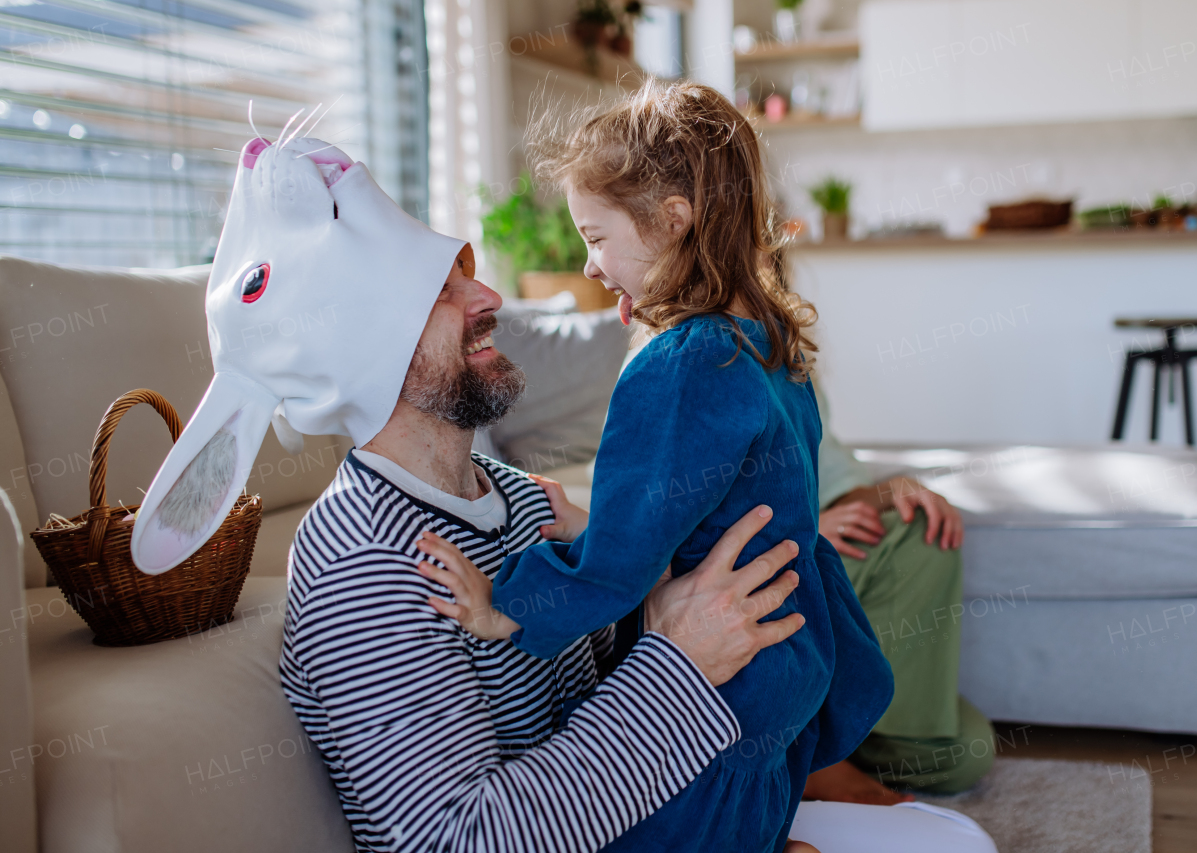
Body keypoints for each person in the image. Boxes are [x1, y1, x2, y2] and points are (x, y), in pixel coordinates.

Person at [420, 80, 992, 853]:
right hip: (790, 657)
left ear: (673, 220)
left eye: (596, 236)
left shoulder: (680, 363)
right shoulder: (771, 346)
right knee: (757, 802)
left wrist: (502, 606)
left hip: (724, 683)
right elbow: (730, 502)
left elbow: (620, 559)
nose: (590, 266)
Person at [279, 245, 808, 853]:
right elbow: (456, 841)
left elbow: (610, 680)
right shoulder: (365, 562)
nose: (490, 299)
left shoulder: (526, 502)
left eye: (467, 276)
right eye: (439, 292)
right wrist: (681, 664)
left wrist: (666, 597)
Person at [801, 384, 996, 805]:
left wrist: (895, 489)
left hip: (820, 554)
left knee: (968, 753)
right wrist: (805, 530)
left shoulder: (791, 365)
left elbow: (841, 490)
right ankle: (812, 758)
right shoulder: (688, 369)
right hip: (776, 564)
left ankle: (838, 737)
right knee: (917, 536)